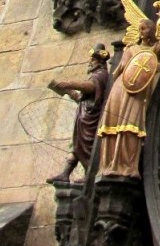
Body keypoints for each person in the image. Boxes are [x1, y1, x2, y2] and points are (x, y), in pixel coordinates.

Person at [98, 4, 160, 179]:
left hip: (137, 92)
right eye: (140, 28)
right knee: (114, 124)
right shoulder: (131, 49)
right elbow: (124, 68)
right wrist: (153, 66)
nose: (141, 31)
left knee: (131, 125)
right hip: (122, 88)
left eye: (144, 28)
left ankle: (127, 165)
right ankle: (109, 163)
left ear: (152, 30)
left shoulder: (154, 49)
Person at [46, 43, 112, 183]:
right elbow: (82, 98)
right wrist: (69, 92)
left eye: (93, 60)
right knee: (76, 146)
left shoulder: (101, 75)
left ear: (100, 62)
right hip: (84, 118)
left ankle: (90, 173)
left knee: (87, 147)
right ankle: (65, 174)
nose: (90, 63)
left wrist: (68, 84)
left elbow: (90, 87)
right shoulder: (95, 75)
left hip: (91, 120)